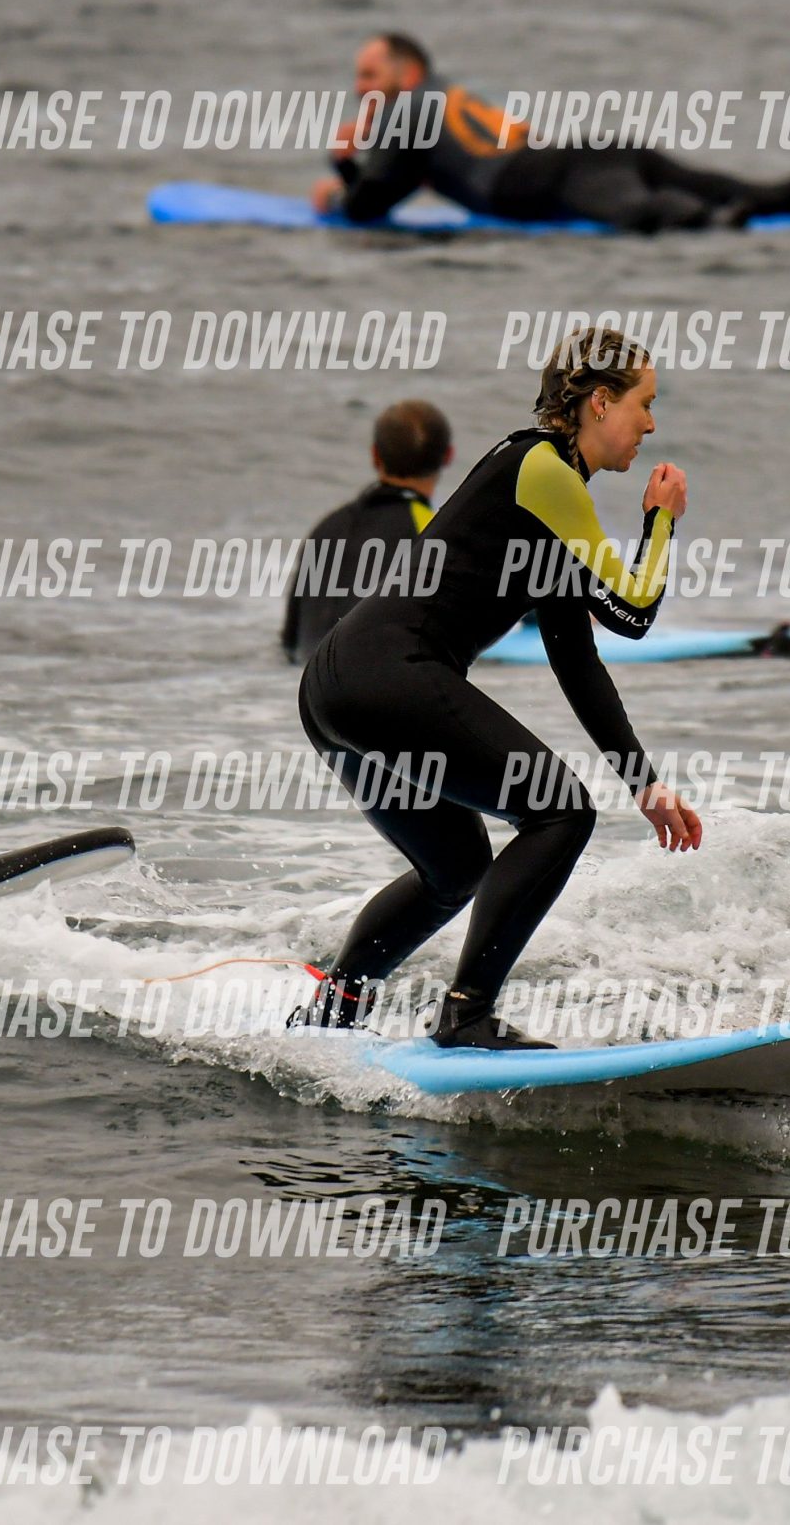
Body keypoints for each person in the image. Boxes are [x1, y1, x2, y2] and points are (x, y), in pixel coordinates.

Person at [293, 327, 704, 1049]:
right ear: (599, 402)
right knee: (560, 812)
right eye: (644, 402)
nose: (650, 423)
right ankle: (467, 1012)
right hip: (386, 675)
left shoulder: (542, 491)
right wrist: (661, 520)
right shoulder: (544, 471)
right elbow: (634, 610)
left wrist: (643, 783)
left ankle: (334, 1011)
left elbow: (576, 658)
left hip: (337, 688)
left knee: (455, 870)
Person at [310, 33, 790, 232]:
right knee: (768, 192)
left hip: (557, 175)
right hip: (596, 151)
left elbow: (371, 206)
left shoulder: (406, 108)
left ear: (408, 71)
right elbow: (418, 176)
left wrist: (341, 175)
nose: (362, 88)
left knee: (637, 215)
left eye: (370, 74)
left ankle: (715, 222)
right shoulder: (451, 98)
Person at [281, 400, 454, 663]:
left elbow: (289, 642)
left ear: (375, 456)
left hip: (299, 680)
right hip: (376, 678)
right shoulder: (434, 531)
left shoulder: (325, 529)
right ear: (448, 456)